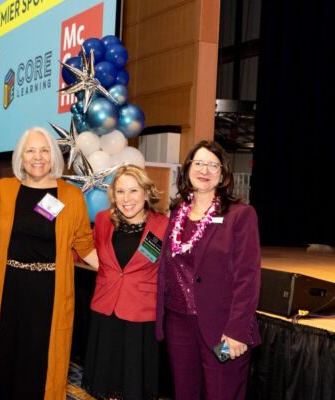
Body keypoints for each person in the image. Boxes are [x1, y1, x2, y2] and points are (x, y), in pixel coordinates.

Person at [0, 127, 99, 400]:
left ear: (54, 156)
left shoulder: (70, 196)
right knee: (5, 359)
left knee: (41, 363)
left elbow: (84, 244)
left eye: (45, 150)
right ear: (20, 156)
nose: (38, 157)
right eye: (31, 150)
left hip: (49, 294)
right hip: (8, 289)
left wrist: (119, 273)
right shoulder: (4, 190)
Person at [156, 140, 261, 400]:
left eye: (213, 165)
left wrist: (237, 331)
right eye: (199, 163)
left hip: (222, 329)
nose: (205, 170)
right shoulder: (176, 213)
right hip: (178, 324)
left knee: (221, 392)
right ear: (188, 169)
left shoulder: (240, 215)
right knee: (184, 392)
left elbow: (247, 278)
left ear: (223, 173)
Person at [82, 165, 169, 400]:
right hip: (105, 311)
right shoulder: (102, 220)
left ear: (146, 192)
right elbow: (90, 252)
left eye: (133, 191)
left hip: (140, 316)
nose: (126, 198)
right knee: (107, 385)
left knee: (134, 386)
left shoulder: (162, 226)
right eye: (120, 192)